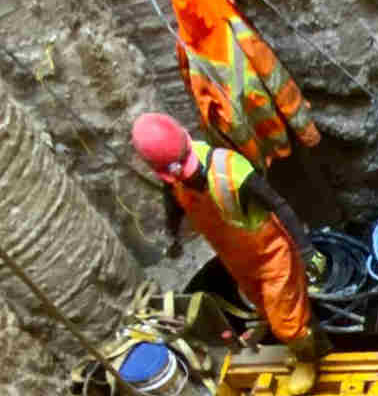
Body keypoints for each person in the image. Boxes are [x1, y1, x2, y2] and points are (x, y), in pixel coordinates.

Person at [131, 112, 315, 354]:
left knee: (288, 323)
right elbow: (173, 204)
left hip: (271, 254)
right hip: (236, 260)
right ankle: (297, 344)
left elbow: (277, 204)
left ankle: (309, 356)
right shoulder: (173, 181)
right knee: (266, 308)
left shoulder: (230, 168)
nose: (187, 179)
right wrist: (174, 236)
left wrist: (305, 249)